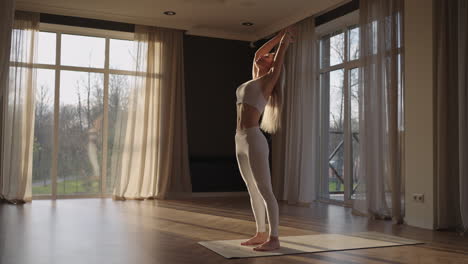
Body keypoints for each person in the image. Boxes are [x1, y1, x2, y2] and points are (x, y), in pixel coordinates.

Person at [235, 25, 295, 251]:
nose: (265, 57)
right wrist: (278, 36)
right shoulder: (253, 79)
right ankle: (260, 233)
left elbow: (277, 60)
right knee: (251, 188)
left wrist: (284, 43)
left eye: (270, 57)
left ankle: (274, 237)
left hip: (253, 139)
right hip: (239, 139)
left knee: (264, 189)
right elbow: (257, 54)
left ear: (272, 65)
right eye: (267, 55)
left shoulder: (268, 82)